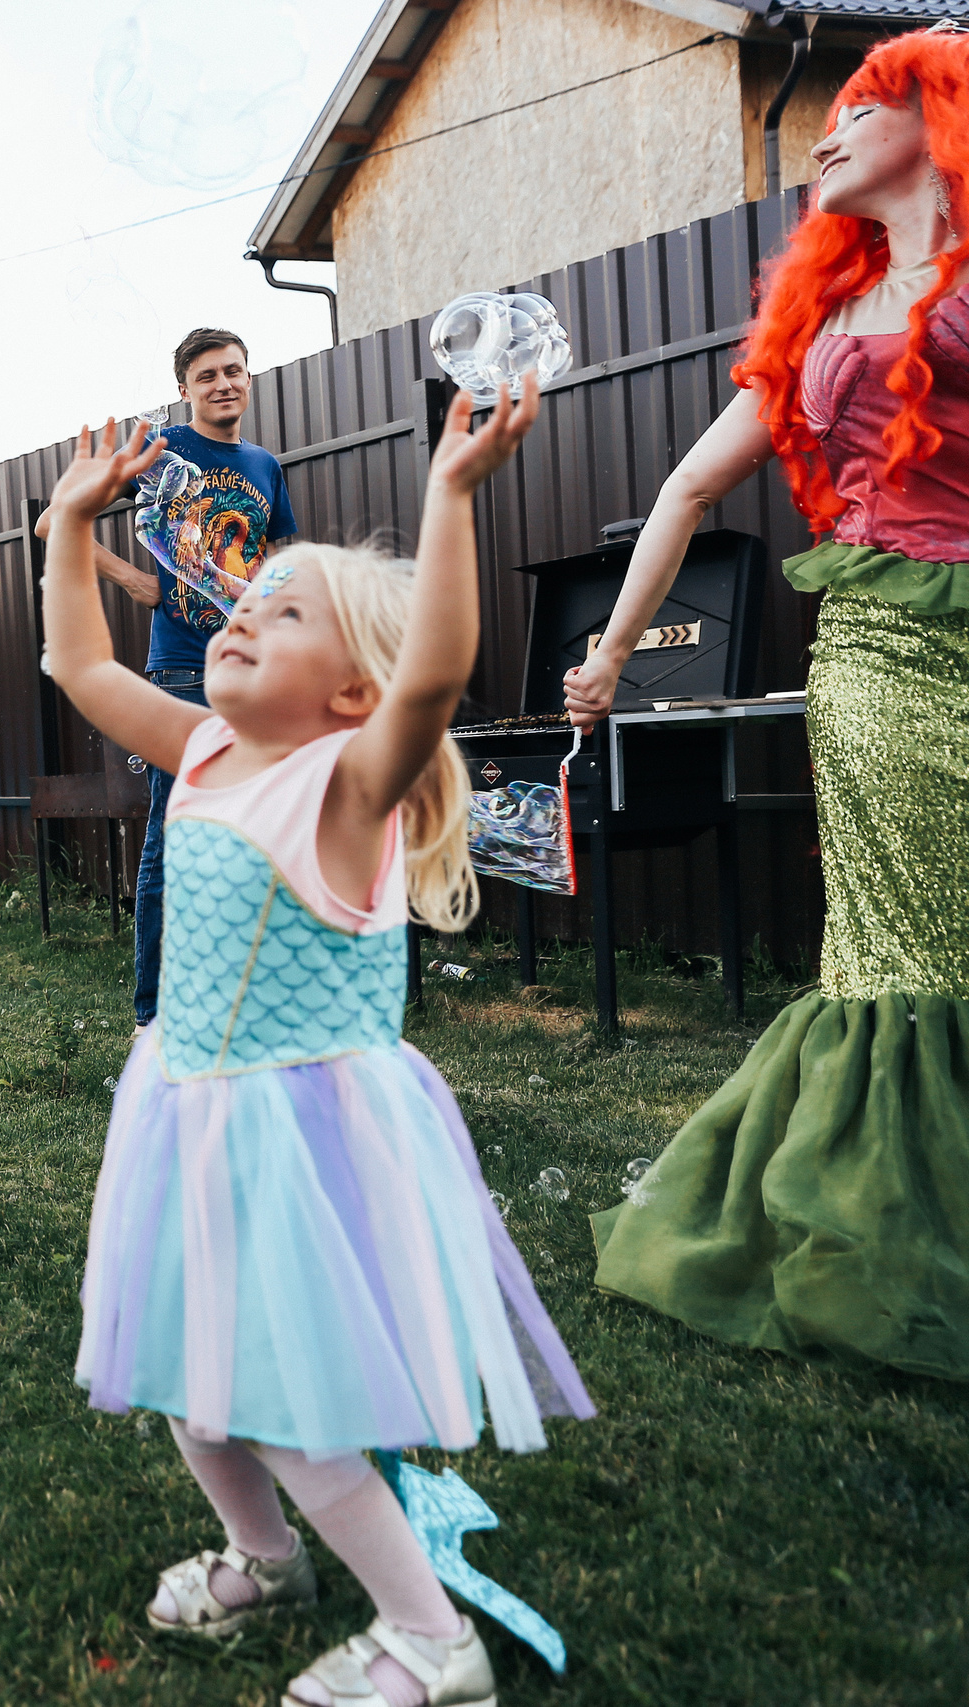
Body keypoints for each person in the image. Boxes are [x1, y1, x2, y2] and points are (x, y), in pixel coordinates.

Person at [43, 379, 592, 1707]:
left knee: (288, 1401)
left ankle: (428, 1633)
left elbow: (441, 672)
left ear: (353, 689)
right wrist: (69, 525)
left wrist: (451, 497)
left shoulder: (347, 786)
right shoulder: (209, 752)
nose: (240, 611)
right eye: (246, 597)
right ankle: (262, 1556)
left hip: (298, 1136)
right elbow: (79, 663)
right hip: (190, 1110)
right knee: (191, 1375)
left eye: (283, 611)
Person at [575, 27, 969, 1385]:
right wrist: (612, 653)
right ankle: (885, 1240)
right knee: (910, 945)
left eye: (860, 104)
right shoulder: (819, 319)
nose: (826, 128)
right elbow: (687, 491)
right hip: (879, 655)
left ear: (941, 117)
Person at [41, 329, 300, 1029]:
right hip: (183, 671)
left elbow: (277, 562)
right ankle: (152, 1018)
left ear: (248, 380)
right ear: (184, 388)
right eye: (208, 374)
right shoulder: (165, 453)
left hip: (254, 675)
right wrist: (130, 577)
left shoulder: (265, 466)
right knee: (172, 838)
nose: (225, 382)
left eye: (235, 371)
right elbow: (52, 521)